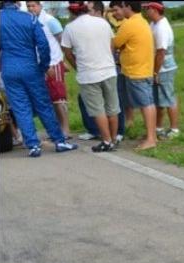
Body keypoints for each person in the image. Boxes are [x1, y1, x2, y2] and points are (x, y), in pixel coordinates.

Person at [0, 0, 78, 157]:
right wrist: (44, 66)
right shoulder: (30, 18)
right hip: (30, 66)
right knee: (43, 104)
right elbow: (43, 44)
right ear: (17, 3)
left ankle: (33, 145)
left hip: (9, 67)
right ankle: (59, 141)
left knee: (21, 107)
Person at [61, 0, 120, 152]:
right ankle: (113, 139)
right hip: (109, 70)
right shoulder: (102, 22)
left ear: (71, 11)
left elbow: (67, 52)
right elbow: (112, 45)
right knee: (112, 108)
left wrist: (77, 67)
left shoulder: (69, 28)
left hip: (88, 74)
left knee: (98, 110)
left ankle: (106, 141)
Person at [112, 0, 156, 150]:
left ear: (129, 7)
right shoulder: (142, 21)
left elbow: (115, 43)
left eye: (123, 6)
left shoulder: (129, 24)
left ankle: (151, 139)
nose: (121, 9)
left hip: (136, 72)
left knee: (146, 105)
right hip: (144, 69)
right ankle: (151, 135)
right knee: (148, 104)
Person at [26, 0, 71, 140]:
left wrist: (62, 61)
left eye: (33, 5)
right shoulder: (30, 21)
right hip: (39, 65)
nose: (31, 8)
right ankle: (56, 128)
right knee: (47, 99)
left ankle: (66, 129)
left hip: (53, 63)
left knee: (58, 98)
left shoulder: (50, 21)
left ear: (40, 6)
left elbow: (62, 42)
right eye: (28, 6)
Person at [144, 1, 179, 139]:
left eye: (147, 8)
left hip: (164, 68)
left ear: (154, 9)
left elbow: (161, 52)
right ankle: (158, 127)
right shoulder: (154, 24)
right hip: (159, 67)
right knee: (158, 100)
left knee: (168, 98)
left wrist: (155, 72)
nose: (145, 11)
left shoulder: (162, 27)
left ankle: (174, 129)